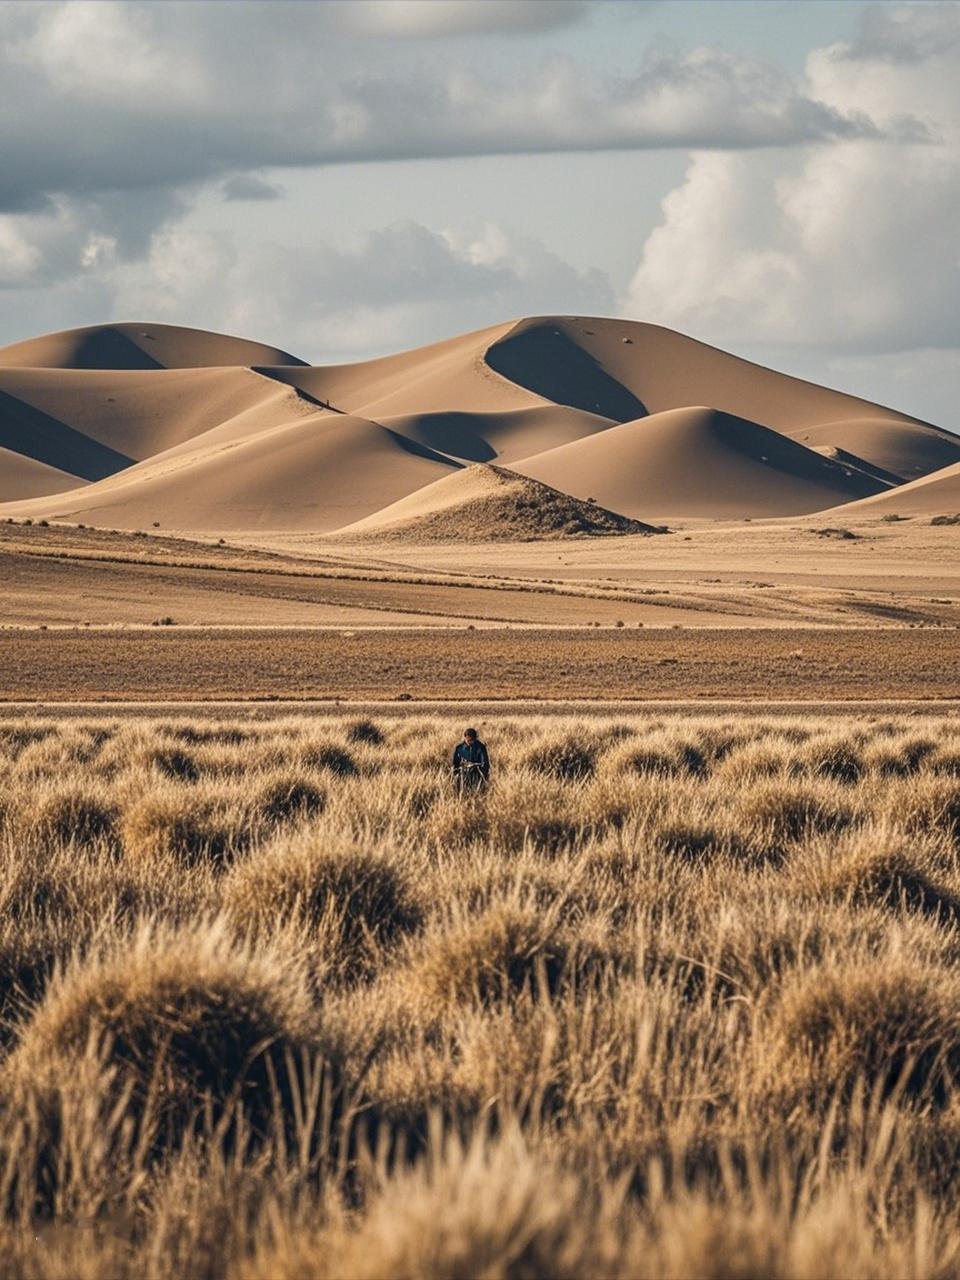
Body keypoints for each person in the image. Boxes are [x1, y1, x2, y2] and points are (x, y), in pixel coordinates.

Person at [451, 727, 490, 795]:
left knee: (477, 793)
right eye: (468, 740)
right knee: (461, 792)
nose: (469, 742)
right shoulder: (459, 748)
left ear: (475, 739)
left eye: (471, 740)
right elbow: (455, 763)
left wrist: (483, 775)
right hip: (463, 774)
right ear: (464, 737)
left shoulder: (481, 747)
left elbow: (485, 763)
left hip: (476, 774)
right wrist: (455, 773)